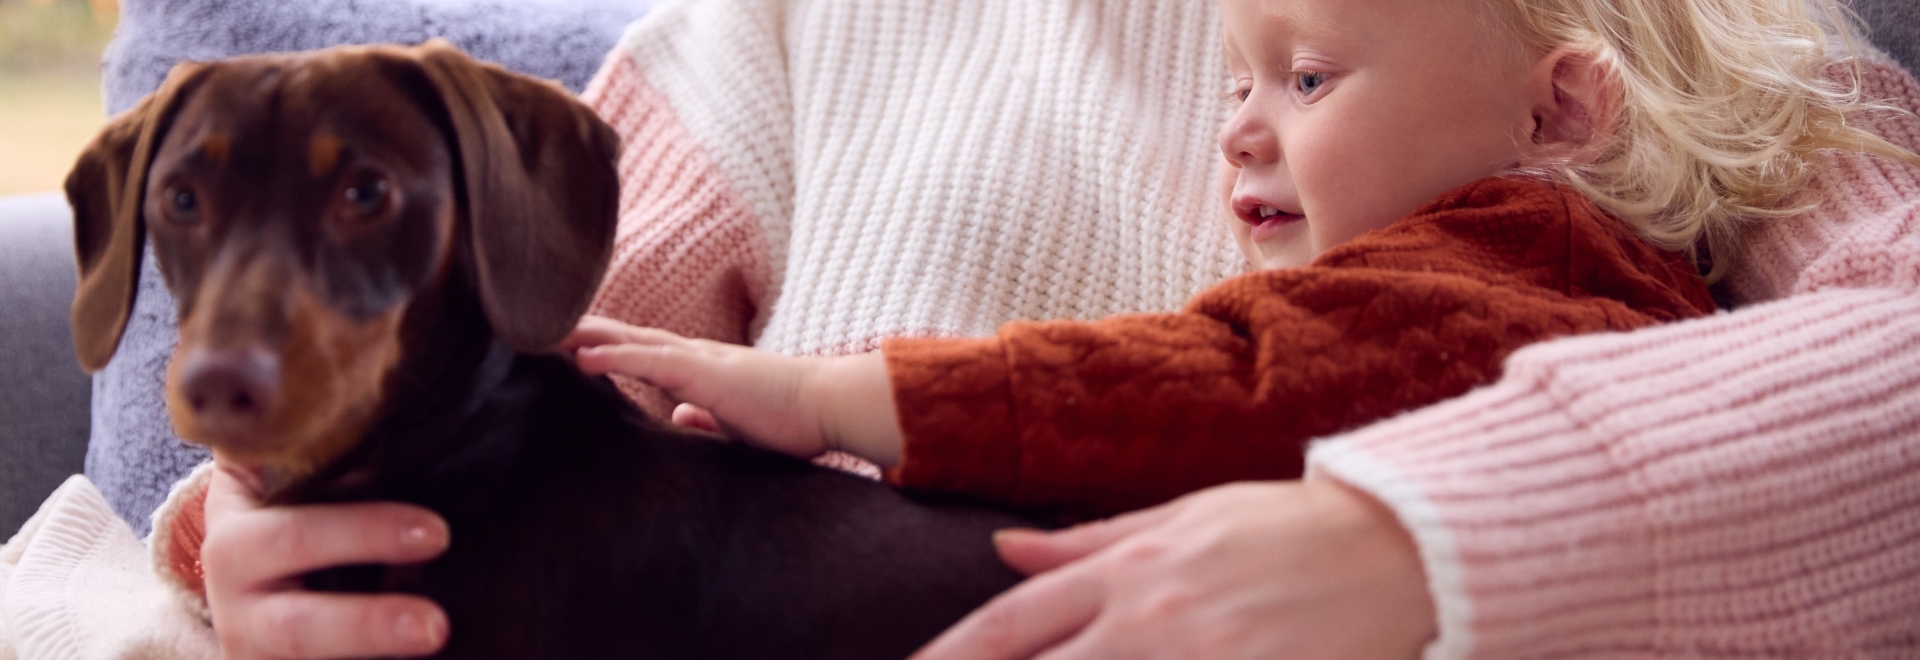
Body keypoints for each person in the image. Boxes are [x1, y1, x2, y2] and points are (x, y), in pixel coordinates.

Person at [181, 0, 1920, 657]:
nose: (1255, 122)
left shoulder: (1674, 38)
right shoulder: (786, 26)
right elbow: (488, 364)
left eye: (1305, 80)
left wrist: (1413, 542)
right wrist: (248, 531)